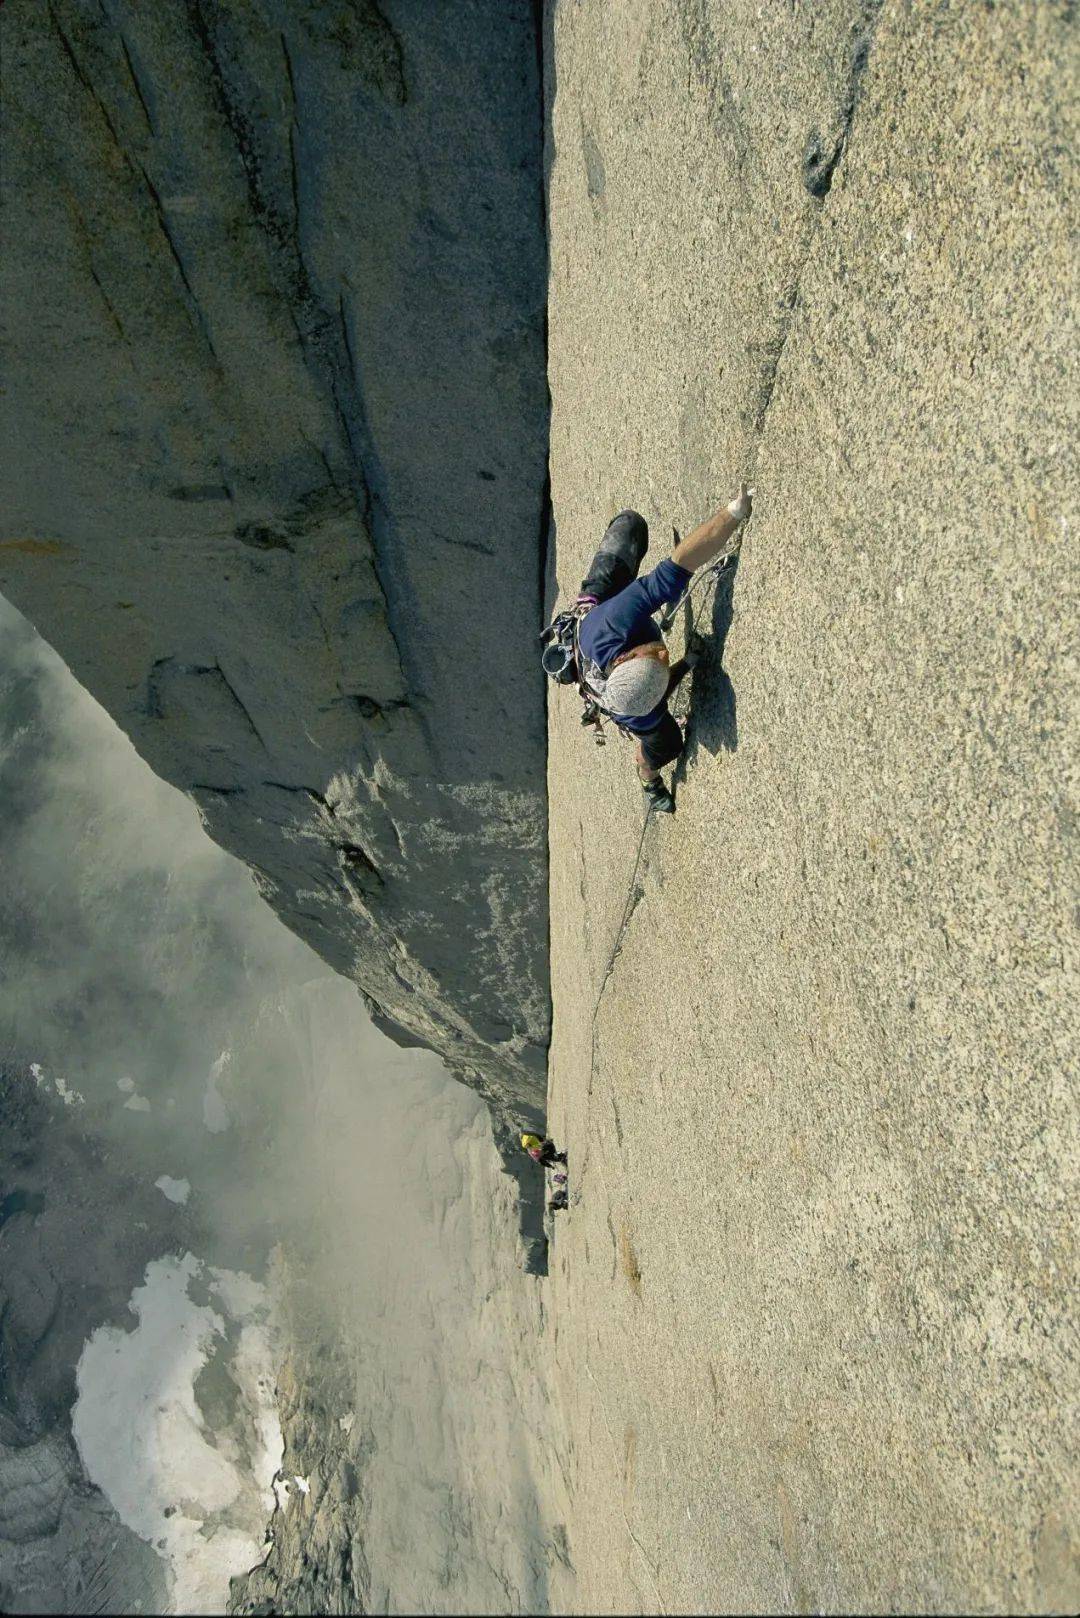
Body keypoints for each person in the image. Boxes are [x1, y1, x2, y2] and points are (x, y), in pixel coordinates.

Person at [574, 484, 754, 813]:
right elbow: (656, 690)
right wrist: (685, 664)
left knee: (631, 526)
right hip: (627, 694)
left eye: (656, 656)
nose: (663, 652)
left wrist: (732, 514)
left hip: (594, 617)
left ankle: (609, 587)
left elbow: (677, 566)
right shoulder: (640, 712)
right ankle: (647, 776)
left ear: (625, 656)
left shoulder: (614, 622)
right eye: (662, 659)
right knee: (669, 745)